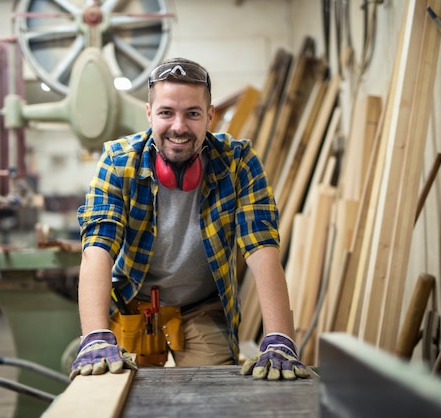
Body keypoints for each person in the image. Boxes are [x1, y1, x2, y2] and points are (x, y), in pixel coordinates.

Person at [70, 57, 309, 381]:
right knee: (121, 395)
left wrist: (280, 337)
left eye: (192, 113)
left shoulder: (238, 163)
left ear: (210, 115)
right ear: (149, 113)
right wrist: (95, 336)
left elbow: (262, 247)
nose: (179, 127)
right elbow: (98, 246)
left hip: (202, 307)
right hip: (134, 307)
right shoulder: (117, 161)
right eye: (167, 112)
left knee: (215, 395)